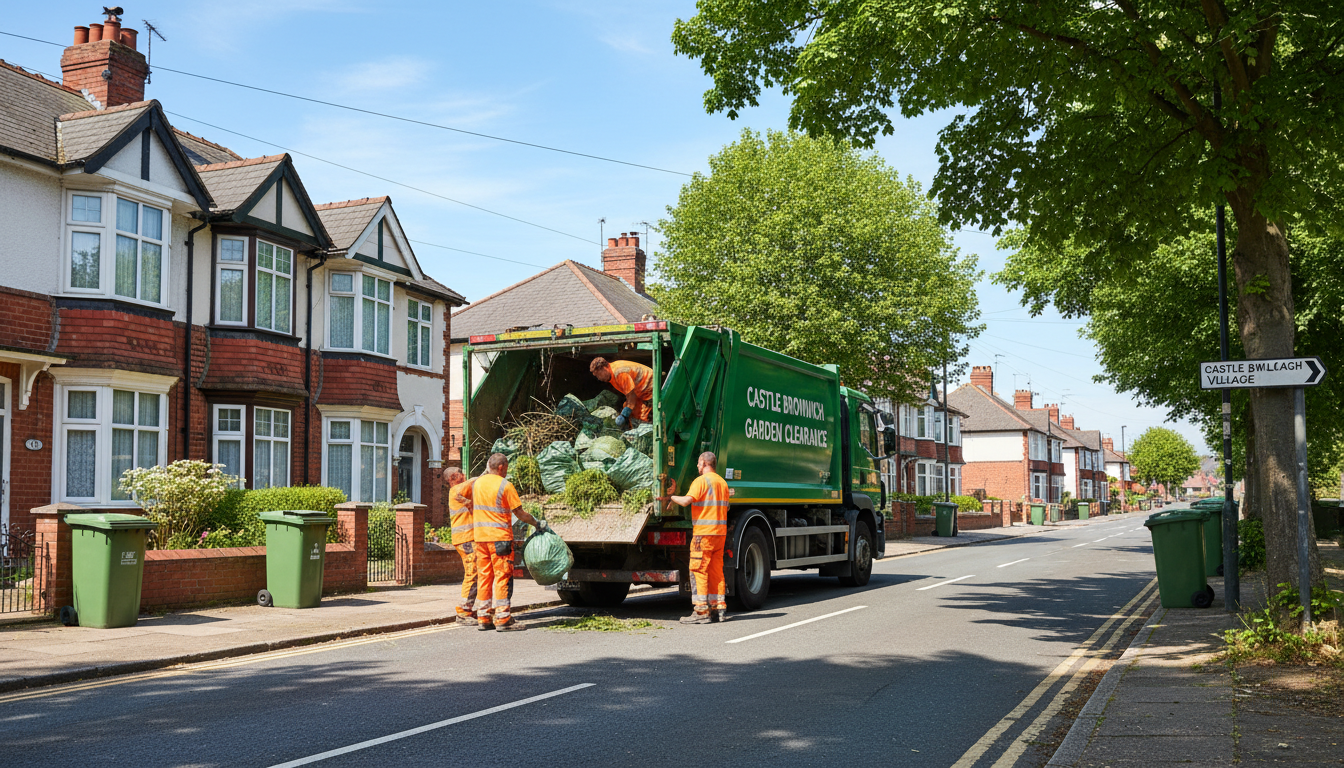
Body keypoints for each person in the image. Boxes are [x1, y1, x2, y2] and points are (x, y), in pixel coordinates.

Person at [470, 452, 546, 632]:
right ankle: (503, 618)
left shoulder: (477, 484)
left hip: (480, 538)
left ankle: (483, 617)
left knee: (484, 577)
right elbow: (519, 513)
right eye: (507, 469)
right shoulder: (505, 485)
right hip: (500, 540)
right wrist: (536, 523)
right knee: (502, 576)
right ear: (502, 467)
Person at [665, 451, 732, 624]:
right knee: (716, 570)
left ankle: (701, 612)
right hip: (720, 534)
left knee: (698, 570)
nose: (697, 466)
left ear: (704, 463)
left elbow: (687, 501)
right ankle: (719, 609)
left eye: (698, 463)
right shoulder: (722, 483)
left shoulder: (701, 481)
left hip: (703, 534)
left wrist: (670, 497)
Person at [445, 468, 478, 625]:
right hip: (465, 539)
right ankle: (463, 611)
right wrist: (489, 471)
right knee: (472, 572)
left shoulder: (459, 492)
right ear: (453, 477)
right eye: (461, 473)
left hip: (466, 539)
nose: (464, 476)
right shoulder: (456, 489)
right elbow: (475, 481)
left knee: (476, 572)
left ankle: (469, 609)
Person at [589, 357, 653, 427]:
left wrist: (624, 414)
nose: (599, 378)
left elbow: (632, 397)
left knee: (641, 415)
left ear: (603, 369)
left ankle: (646, 433)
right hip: (639, 390)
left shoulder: (619, 373)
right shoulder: (612, 371)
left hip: (648, 388)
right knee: (629, 408)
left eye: (598, 375)